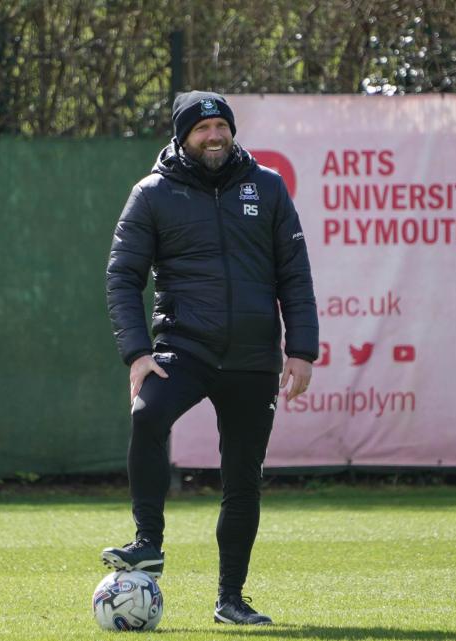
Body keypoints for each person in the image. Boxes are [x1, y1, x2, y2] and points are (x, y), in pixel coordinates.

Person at [102, 91, 319, 625]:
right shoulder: (151, 194)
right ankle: (147, 542)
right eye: (203, 129)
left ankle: (231, 600)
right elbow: (123, 278)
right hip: (185, 347)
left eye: (221, 125)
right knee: (147, 413)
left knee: (242, 480)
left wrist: (302, 351)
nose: (214, 135)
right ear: (183, 136)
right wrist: (136, 353)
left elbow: (295, 274)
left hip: (253, 357)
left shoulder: (267, 187)